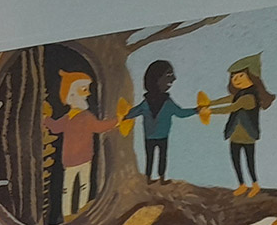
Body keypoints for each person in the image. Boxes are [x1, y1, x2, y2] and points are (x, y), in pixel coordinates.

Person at [42, 69, 120, 216]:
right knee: (69, 188)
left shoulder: (86, 116)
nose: (88, 94)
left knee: (83, 186)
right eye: (84, 90)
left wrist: (116, 121)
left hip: (84, 158)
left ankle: (80, 212)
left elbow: (99, 127)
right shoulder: (69, 117)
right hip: (71, 160)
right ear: (72, 93)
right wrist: (45, 119)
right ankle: (67, 215)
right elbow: (56, 127)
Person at [203, 54, 275, 196]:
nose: (236, 79)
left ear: (252, 77)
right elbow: (228, 99)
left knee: (249, 162)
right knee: (235, 160)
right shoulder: (240, 94)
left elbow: (232, 107)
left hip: (248, 136)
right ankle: (242, 184)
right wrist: (209, 103)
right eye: (233, 77)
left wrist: (210, 111)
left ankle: (255, 184)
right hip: (235, 134)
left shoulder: (250, 97)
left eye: (241, 76)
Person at [134, 59, 198, 182]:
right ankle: (158, 178)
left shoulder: (152, 103)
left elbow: (134, 112)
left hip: (152, 136)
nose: (174, 79)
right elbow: (180, 113)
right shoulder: (164, 103)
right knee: (160, 156)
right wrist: (196, 110)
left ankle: (153, 178)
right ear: (156, 78)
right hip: (160, 135)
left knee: (152, 156)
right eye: (169, 75)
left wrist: (196, 110)